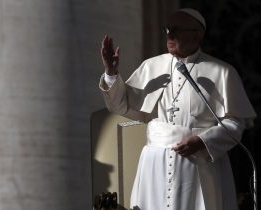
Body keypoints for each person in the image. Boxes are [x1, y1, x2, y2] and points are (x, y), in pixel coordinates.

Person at [99, 8, 256, 210]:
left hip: (199, 163)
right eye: (167, 29)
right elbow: (119, 104)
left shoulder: (222, 71)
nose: (170, 35)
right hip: (155, 166)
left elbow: (235, 122)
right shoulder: (151, 66)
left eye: (176, 29)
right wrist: (111, 73)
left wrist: (202, 141)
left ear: (197, 34)